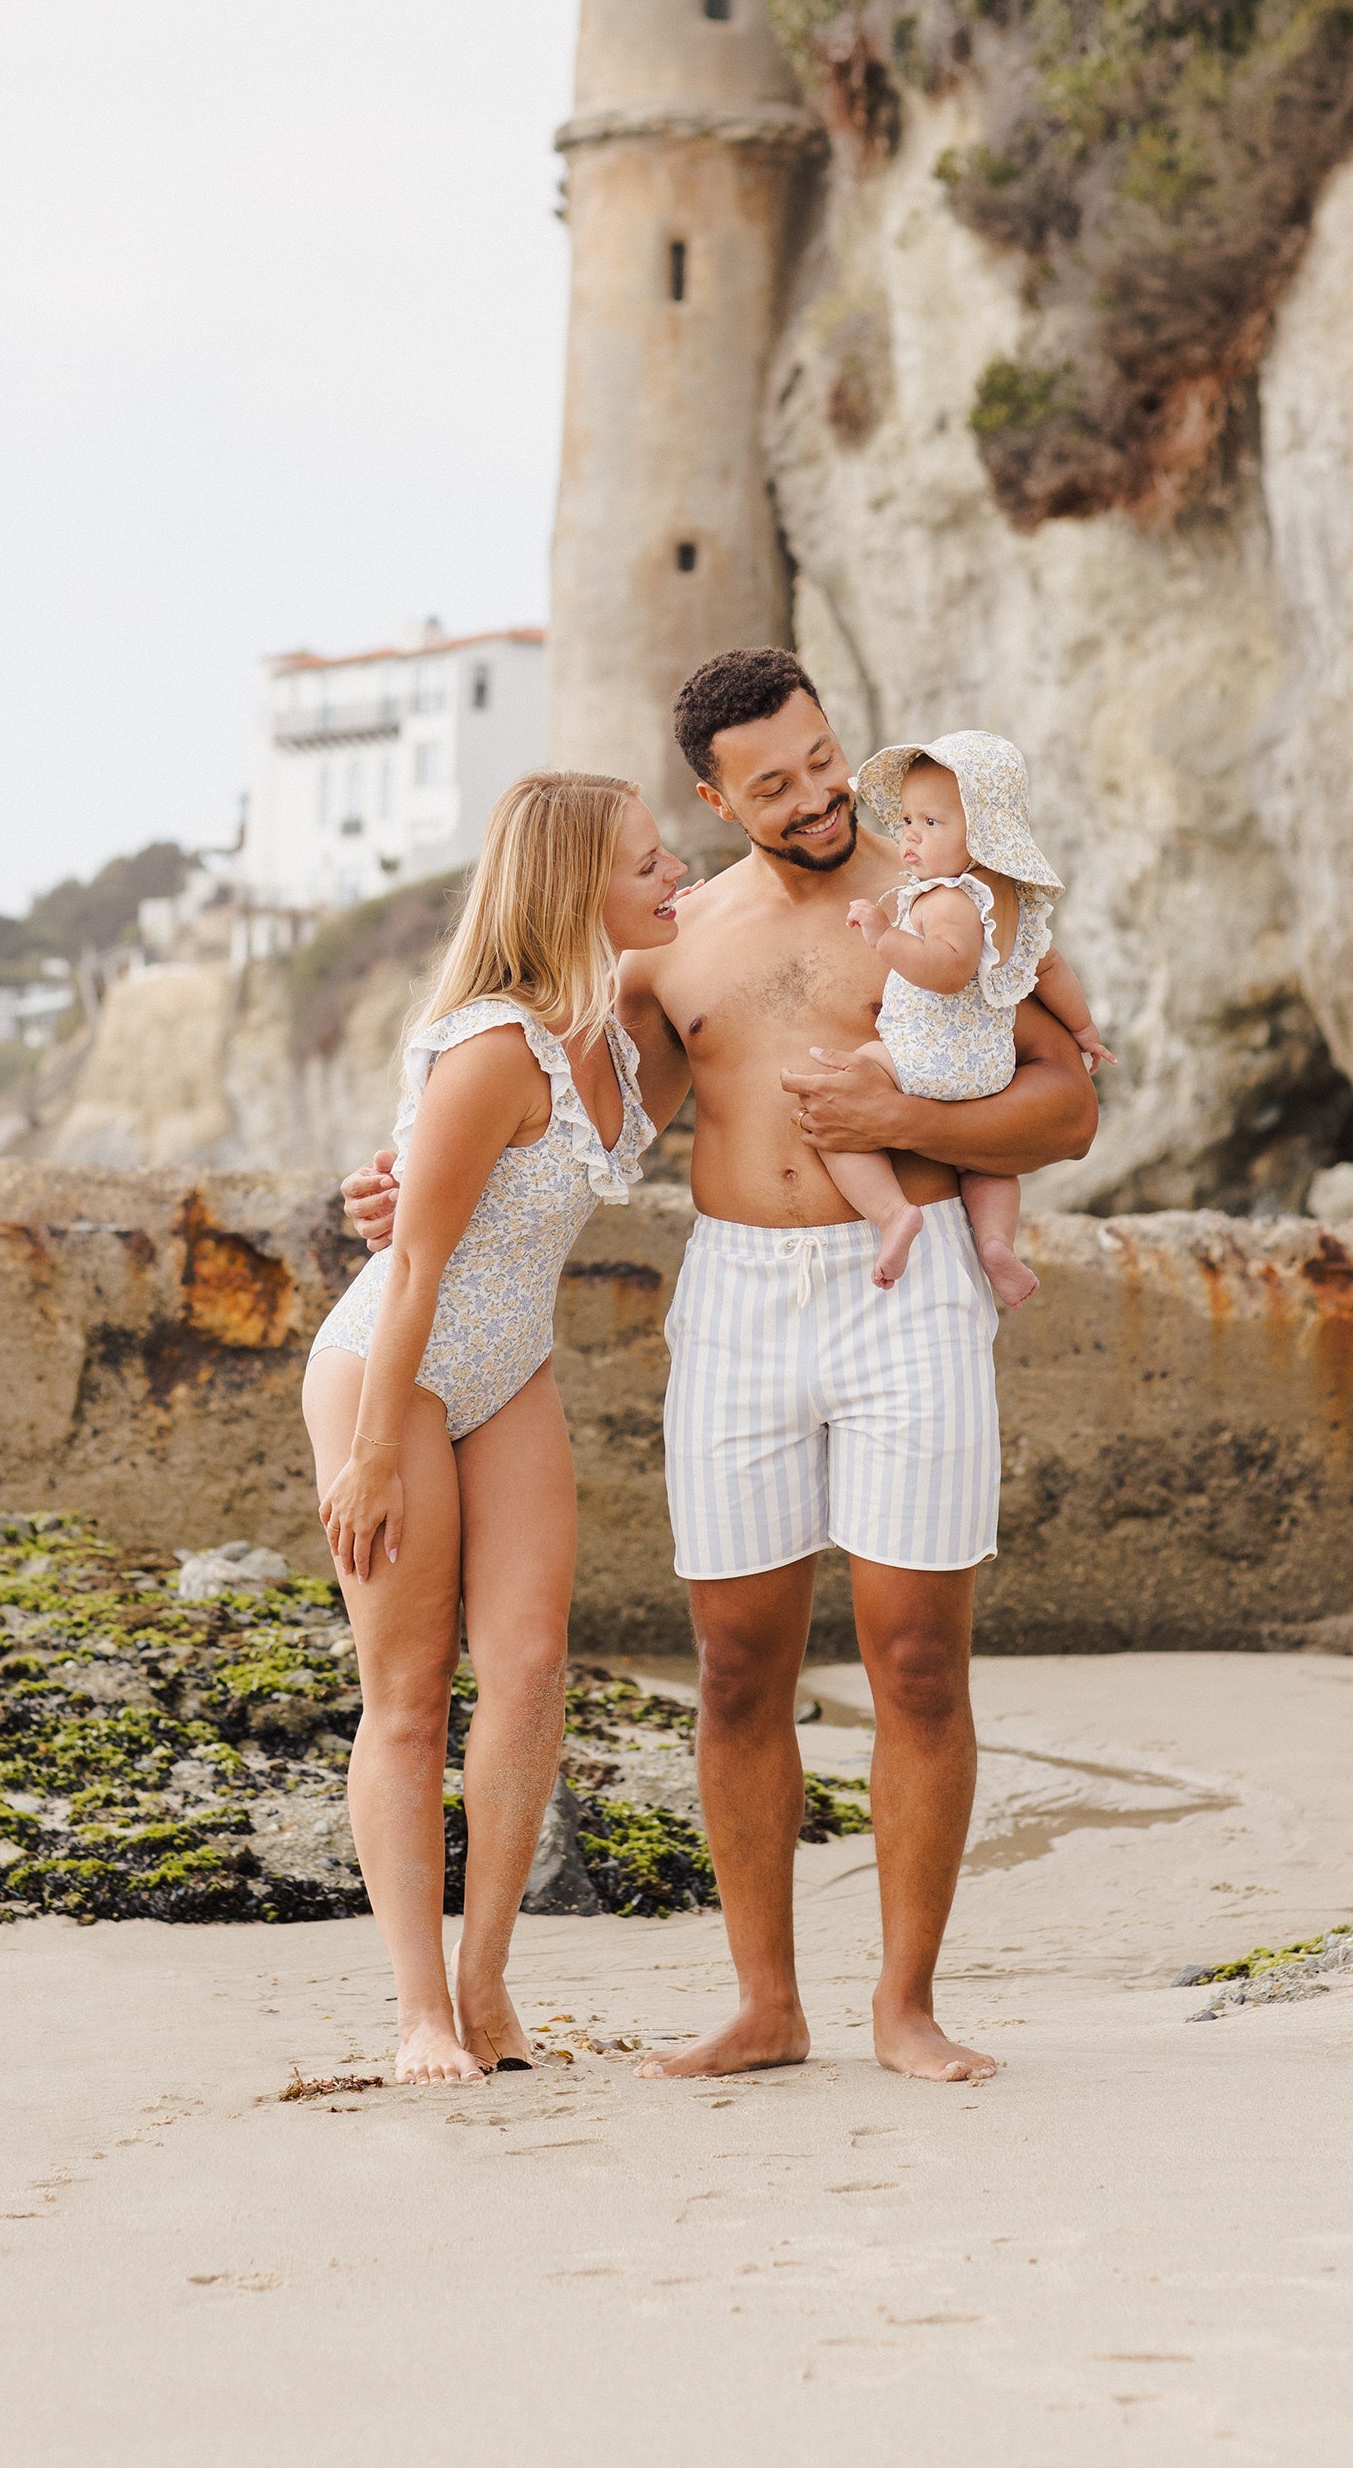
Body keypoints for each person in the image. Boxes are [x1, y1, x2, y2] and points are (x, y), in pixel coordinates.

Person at [344, 650, 1096, 2084]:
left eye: (824, 762)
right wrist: (397, 1190)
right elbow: (559, 1113)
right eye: (774, 785)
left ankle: (906, 2007)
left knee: (917, 1661)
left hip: (912, 1280)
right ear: (715, 796)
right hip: (742, 1296)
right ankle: (767, 2004)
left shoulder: (942, 896)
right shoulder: (672, 941)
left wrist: (901, 1104)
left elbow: (1066, 1107)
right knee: (737, 1668)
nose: (816, 798)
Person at [303, 771, 687, 2084]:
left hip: (507, 1367)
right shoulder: (490, 1047)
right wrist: (364, 1456)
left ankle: (486, 1987)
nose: (674, 874)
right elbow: (410, 1263)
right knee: (407, 1695)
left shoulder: (619, 1040)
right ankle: (418, 2015)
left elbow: (750, 924)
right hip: (390, 1376)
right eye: (648, 861)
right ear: (580, 886)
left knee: (529, 1673)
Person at [828, 729, 1114, 1304]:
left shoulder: (949, 899)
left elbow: (948, 968)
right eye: (908, 819)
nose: (910, 835)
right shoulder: (1011, 903)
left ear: (983, 835)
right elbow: (1051, 971)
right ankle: (995, 1244)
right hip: (990, 1067)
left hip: (928, 1052)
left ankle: (892, 1216)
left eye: (932, 824)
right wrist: (1084, 1031)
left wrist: (884, 937)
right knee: (986, 1165)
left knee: (840, 1108)